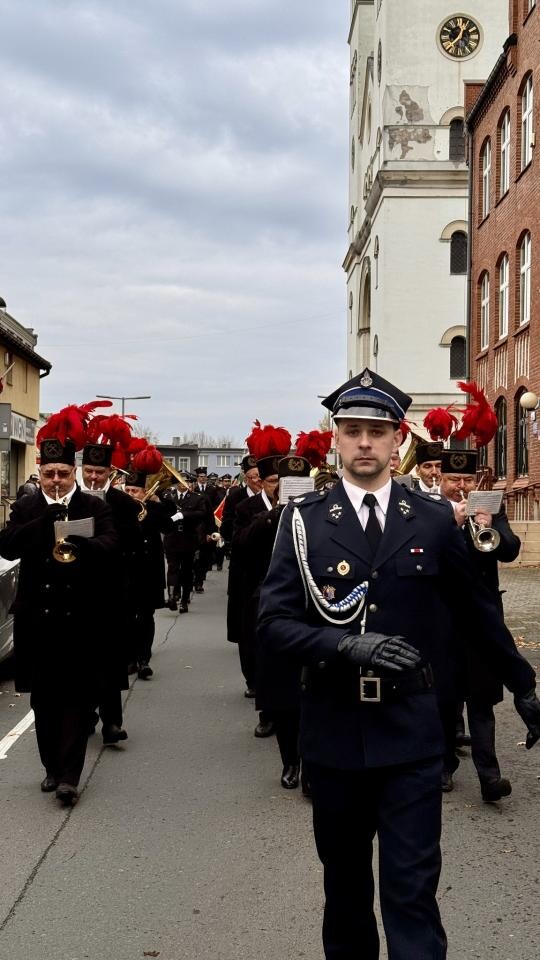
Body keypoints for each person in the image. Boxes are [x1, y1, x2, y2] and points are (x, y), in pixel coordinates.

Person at [257, 368, 540, 960]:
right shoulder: (304, 521)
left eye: (378, 432)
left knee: (412, 891)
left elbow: (476, 611)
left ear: (397, 440)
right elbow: (274, 624)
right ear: (336, 438)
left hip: (411, 734)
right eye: (352, 431)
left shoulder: (432, 518)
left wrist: (523, 683)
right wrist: (343, 646)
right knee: (346, 893)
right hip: (334, 732)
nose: (365, 443)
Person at [0, 437, 119, 806]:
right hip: (38, 620)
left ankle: (69, 776)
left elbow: (112, 545)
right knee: (45, 700)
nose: (56, 480)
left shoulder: (92, 506)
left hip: (81, 620)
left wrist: (84, 545)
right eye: (50, 473)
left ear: (73, 473)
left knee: (78, 700)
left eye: (63, 474)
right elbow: (7, 545)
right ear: (40, 472)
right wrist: (42, 523)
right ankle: (52, 767)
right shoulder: (27, 506)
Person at [439, 449, 521, 800]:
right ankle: (444, 767)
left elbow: (511, 549)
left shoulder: (491, 507)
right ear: (440, 480)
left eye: (467, 479)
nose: (461, 486)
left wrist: (490, 526)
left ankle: (490, 778)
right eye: (453, 479)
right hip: (444, 618)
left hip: (483, 619)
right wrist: (453, 523)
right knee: (445, 698)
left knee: (482, 699)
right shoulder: (430, 511)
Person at [80, 440, 141, 745]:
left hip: (111, 591)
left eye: (99, 472)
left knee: (110, 658)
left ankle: (112, 722)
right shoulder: (70, 500)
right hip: (77, 592)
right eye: (89, 471)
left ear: (109, 473)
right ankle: (85, 716)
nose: (93, 477)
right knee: (81, 660)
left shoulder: (124, 503)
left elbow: (133, 545)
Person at [124, 460, 174, 679]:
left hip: (148, 570)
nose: (130, 494)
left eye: (134, 491)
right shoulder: (119, 508)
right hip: (126, 570)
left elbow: (169, 527)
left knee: (146, 616)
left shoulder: (153, 508)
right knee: (126, 616)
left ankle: (144, 659)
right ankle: (129, 658)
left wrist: (157, 504)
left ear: (144, 491)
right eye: (127, 490)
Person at [221, 456, 262, 655]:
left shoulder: (275, 495)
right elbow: (226, 530)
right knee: (243, 610)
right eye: (253, 477)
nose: (257, 481)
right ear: (246, 478)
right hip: (243, 561)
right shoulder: (235, 497)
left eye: (260, 476)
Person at [162, 478, 207, 612]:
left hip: (188, 538)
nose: (182, 484)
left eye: (186, 482)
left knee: (187, 570)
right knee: (172, 568)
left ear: (190, 484)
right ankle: (172, 596)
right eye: (180, 481)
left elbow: (201, 514)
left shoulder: (196, 498)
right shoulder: (168, 496)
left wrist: (183, 515)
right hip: (172, 537)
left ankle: (184, 600)